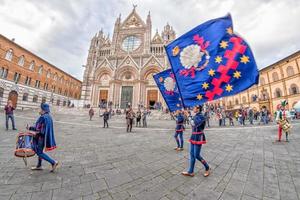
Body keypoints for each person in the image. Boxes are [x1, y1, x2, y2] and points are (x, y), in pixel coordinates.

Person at [182, 105, 210, 177]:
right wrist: (188, 115)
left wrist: (188, 115)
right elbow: (192, 122)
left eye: (194, 107)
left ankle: (207, 167)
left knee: (196, 155)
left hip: (198, 136)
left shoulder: (201, 116)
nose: (193, 108)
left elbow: (194, 124)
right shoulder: (196, 116)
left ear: (198, 109)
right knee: (191, 154)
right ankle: (191, 171)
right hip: (193, 136)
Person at [30, 103, 58, 172]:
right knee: (40, 151)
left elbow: (40, 130)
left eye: (40, 108)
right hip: (43, 138)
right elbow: (41, 128)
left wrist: (33, 132)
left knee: (39, 152)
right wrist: (31, 128)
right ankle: (39, 165)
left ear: (43, 110)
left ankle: (53, 162)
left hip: (40, 138)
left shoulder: (43, 117)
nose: (39, 110)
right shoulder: (48, 117)